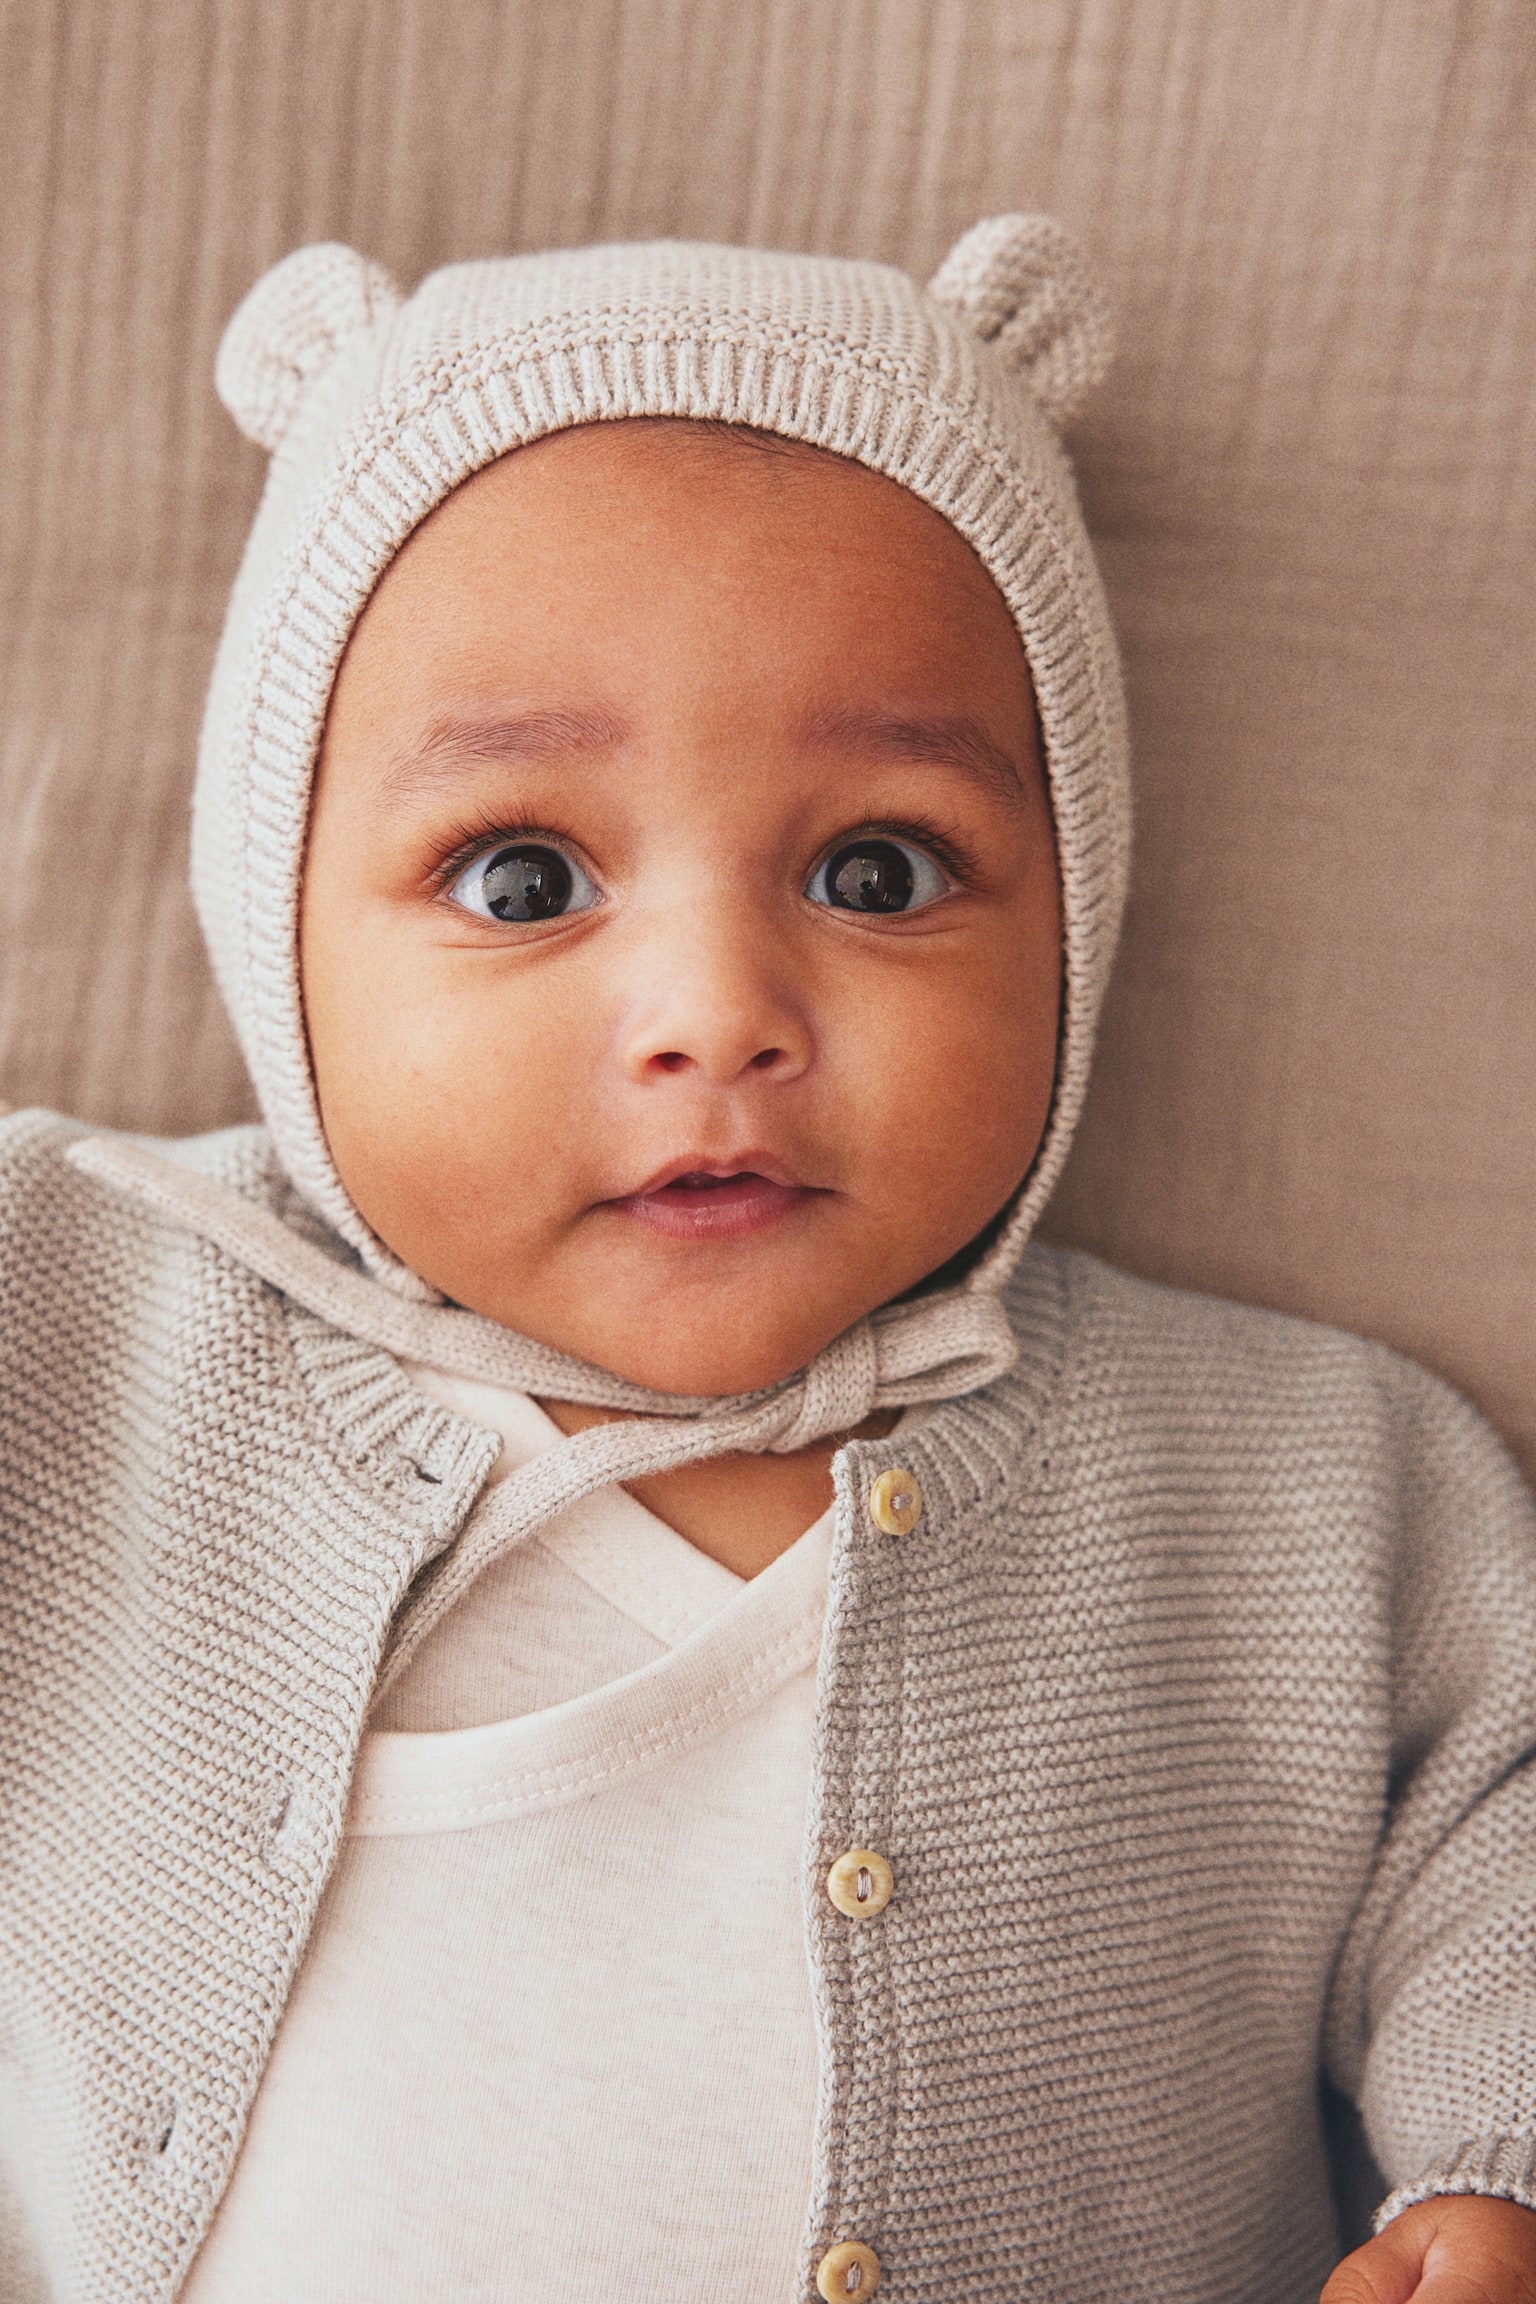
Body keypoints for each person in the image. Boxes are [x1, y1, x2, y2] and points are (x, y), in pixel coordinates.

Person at [1, 221, 1533, 2304]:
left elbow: (1509, 1807)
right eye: (524, 877)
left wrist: (1490, 2152)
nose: (716, 1012)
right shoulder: (74, 1319)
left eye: (877, 870)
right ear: (278, 934)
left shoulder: (1301, 1484)